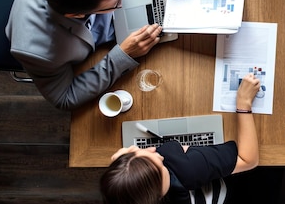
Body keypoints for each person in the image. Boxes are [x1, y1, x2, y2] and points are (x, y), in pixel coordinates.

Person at [5, 0, 190, 110]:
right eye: (115, 3)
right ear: (77, 15)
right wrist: (122, 56)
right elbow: (64, 98)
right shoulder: (38, 53)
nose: (123, 0)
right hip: (74, 46)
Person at [100, 73, 261, 204]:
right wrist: (244, 103)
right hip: (234, 189)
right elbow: (248, 160)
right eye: (160, 165)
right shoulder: (187, 169)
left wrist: (123, 172)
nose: (155, 151)